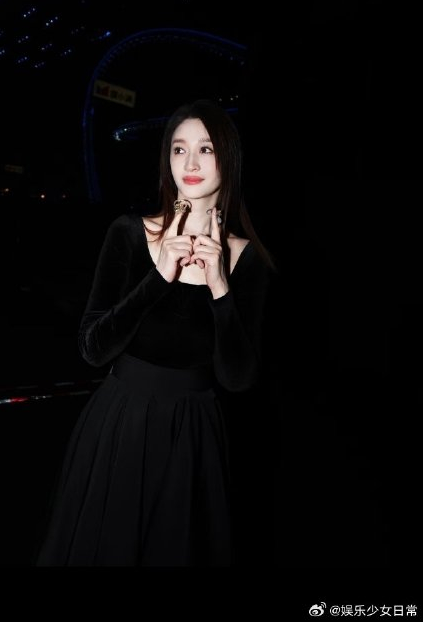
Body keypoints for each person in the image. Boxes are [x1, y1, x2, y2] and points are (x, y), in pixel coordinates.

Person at [36, 99, 274, 566]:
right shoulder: (129, 233)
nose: (190, 163)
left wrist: (220, 288)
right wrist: (158, 276)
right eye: (179, 149)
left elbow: (238, 379)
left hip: (194, 436)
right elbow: (92, 348)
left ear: (228, 157)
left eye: (206, 149)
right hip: (120, 423)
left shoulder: (248, 260)